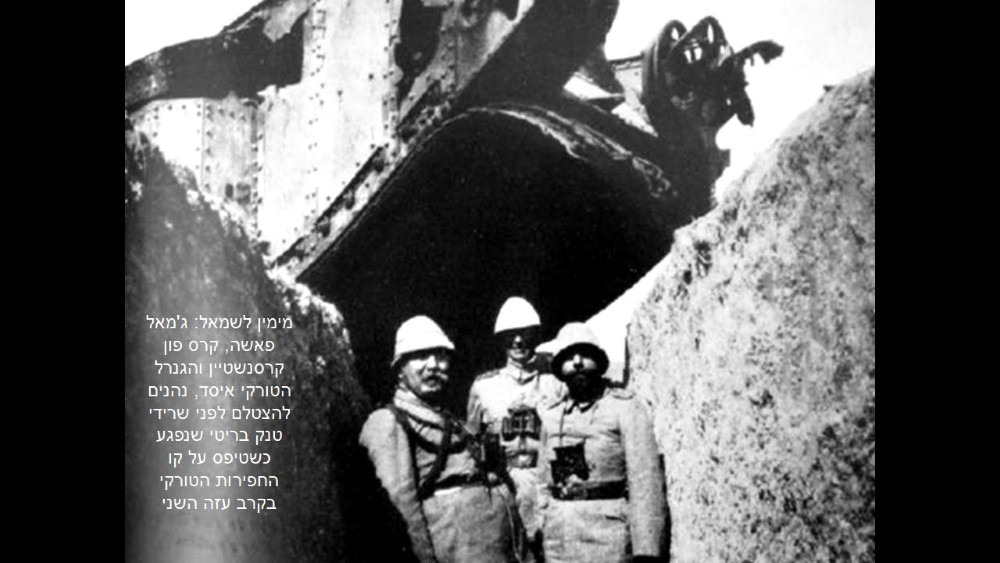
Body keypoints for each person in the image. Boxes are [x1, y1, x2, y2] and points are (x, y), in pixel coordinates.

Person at [359, 315, 526, 563]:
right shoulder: (389, 421)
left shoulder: (449, 418)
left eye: (440, 356)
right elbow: (402, 510)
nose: (432, 365)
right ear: (400, 369)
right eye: (420, 356)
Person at [537, 323, 666, 563]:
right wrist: (544, 519)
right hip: (559, 537)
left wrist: (646, 551)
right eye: (569, 356)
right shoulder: (552, 417)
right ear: (559, 367)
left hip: (607, 537)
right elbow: (543, 481)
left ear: (599, 360)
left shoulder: (625, 408)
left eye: (585, 354)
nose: (577, 362)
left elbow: (644, 482)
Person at [467, 297, 565, 555]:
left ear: (535, 335)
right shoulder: (484, 387)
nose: (518, 341)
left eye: (525, 333)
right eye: (511, 334)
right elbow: (472, 443)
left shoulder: (555, 382)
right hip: (506, 485)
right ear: (502, 339)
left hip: (547, 483)